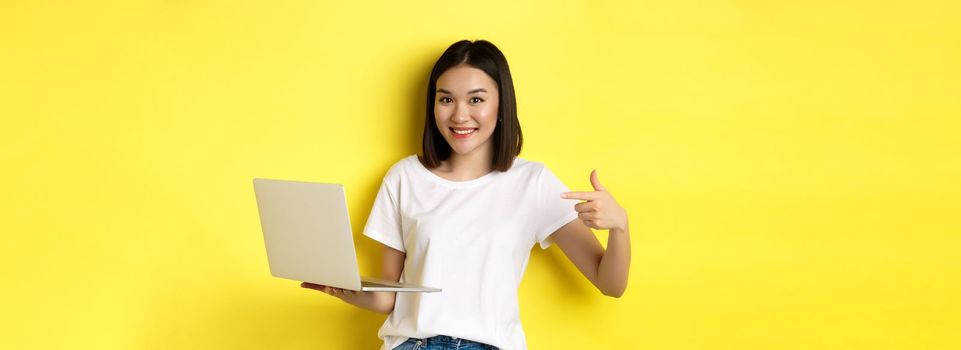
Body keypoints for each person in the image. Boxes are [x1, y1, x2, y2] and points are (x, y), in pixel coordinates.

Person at [301, 39, 631, 350]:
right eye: (446, 99)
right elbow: (387, 297)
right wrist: (341, 287)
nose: (459, 115)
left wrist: (620, 227)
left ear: (501, 104)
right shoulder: (405, 177)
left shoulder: (533, 182)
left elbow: (611, 284)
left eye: (476, 99)